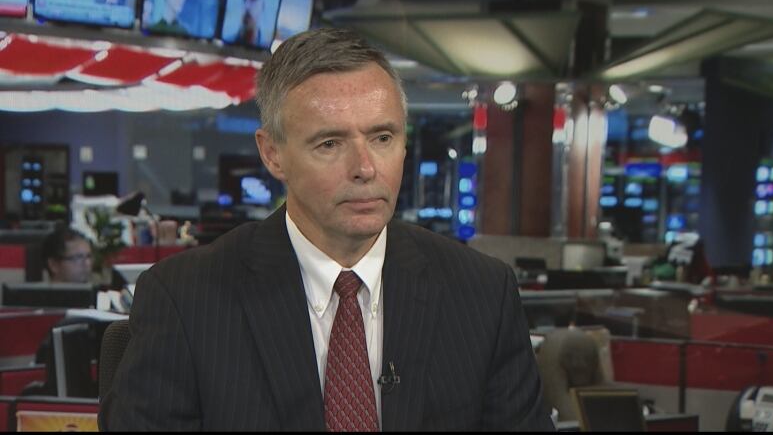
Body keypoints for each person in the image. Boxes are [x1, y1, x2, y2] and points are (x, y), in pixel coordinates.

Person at [99, 27, 553, 431]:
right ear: (273, 153)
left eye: (382, 138)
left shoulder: (481, 294)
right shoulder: (185, 299)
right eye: (330, 143)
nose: (364, 168)